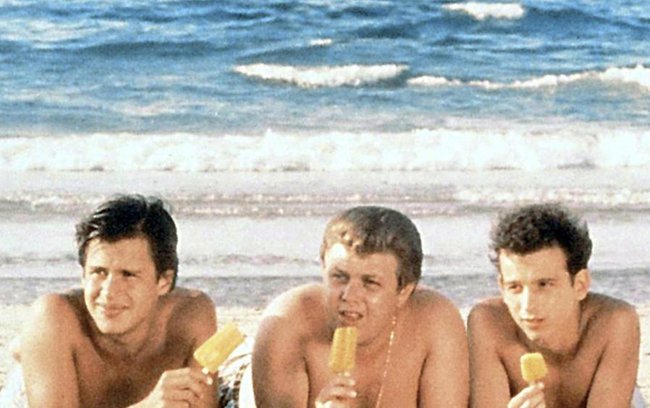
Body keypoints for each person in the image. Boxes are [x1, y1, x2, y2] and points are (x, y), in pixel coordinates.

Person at [252, 206, 469, 407]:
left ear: (403, 291)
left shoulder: (435, 322)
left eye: (370, 283)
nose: (350, 295)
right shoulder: (287, 322)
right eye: (339, 277)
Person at [16, 194, 219, 407]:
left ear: (164, 281)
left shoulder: (191, 316)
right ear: (83, 274)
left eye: (128, 274)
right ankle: (28, 349)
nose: (109, 291)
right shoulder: (54, 317)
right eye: (99, 272)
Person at [468, 203, 641, 408]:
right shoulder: (488, 324)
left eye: (544, 285)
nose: (527, 306)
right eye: (514, 287)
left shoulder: (613, 322)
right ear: (501, 287)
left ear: (580, 285)